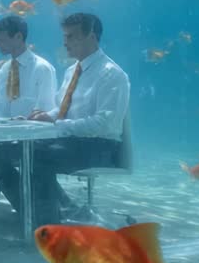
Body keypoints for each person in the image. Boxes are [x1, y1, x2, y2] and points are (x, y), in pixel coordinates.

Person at [25, 12, 130, 225]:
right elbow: (64, 108)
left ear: (91, 37)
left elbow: (105, 124)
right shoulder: (71, 71)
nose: (65, 43)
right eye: (64, 36)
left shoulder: (112, 75)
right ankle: (51, 212)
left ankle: (48, 224)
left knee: (38, 158)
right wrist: (47, 116)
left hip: (102, 145)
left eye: (71, 36)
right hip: (74, 139)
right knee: (21, 150)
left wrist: (59, 125)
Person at [0, 15, 58, 208]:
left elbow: (46, 113)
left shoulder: (42, 69)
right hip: (11, 136)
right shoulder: (4, 71)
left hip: (37, 140)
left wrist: (24, 121)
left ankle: (29, 208)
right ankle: (35, 203)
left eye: (1, 39)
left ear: (18, 37)